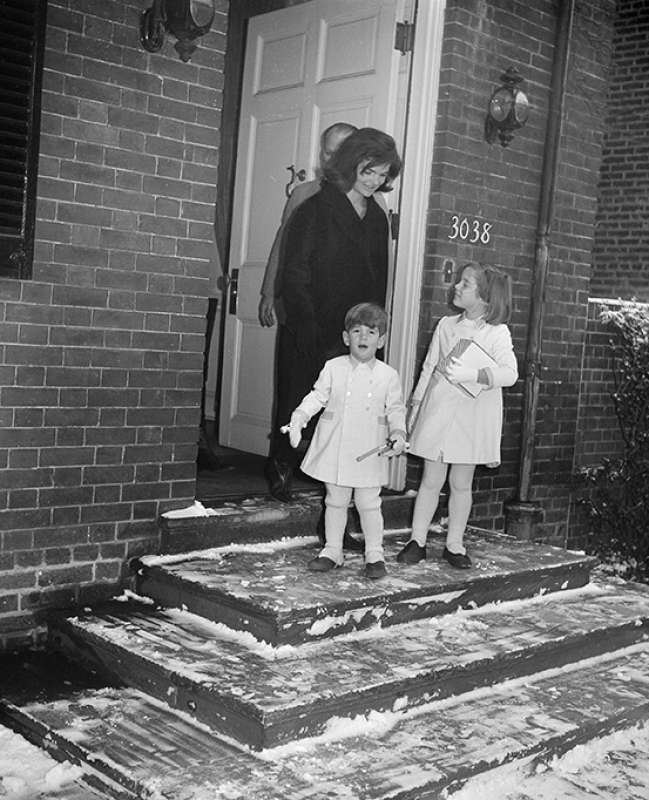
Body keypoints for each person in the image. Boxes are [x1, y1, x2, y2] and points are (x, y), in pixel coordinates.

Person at [265, 127, 402, 505]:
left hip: (355, 330)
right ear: (350, 164)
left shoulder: (376, 216)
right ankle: (282, 467)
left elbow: (378, 277)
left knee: (353, 408)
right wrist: (305, 323)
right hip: (311, 325)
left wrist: (373, 328)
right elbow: (294, 273)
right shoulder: (314, 208)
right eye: (368, 171)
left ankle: (343, 486)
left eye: (382, 174)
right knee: (299, 398)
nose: (376, 181)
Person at [397, 262, 518, 569]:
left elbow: (510, 373)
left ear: (485, 297)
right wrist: (416, 406)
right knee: (430, 479)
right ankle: (418, 540)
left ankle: (455, 543)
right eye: (459, 282)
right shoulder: (446, 325)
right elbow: (429, 366)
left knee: (461, 482)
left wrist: (474, 373)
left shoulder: (496, 332)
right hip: (439, 410)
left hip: (471, 417)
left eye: (466, 284)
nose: (457, 288)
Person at [284, 303, 406, 579]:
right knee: (336, 500)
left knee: (368, 502)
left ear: (381, 340)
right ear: (346, 337)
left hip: (367, 448)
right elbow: (317, 396)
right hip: (336, 445)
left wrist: (398, 433)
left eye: (371, 332)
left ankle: (374, 553)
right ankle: (332, 550)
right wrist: (300, 416)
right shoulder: (333, 367)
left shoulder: (388, 375)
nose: (363, 337)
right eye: (357, 331)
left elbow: (396, 408)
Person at [258, 122, 358, 329]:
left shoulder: (371, 201)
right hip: (307, 308)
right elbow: (282, 245)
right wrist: (270, 293)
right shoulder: (302, 194)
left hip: (352, 312)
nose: (334, 161)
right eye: (329, 153)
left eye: (342, 153)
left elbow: (382, 262)